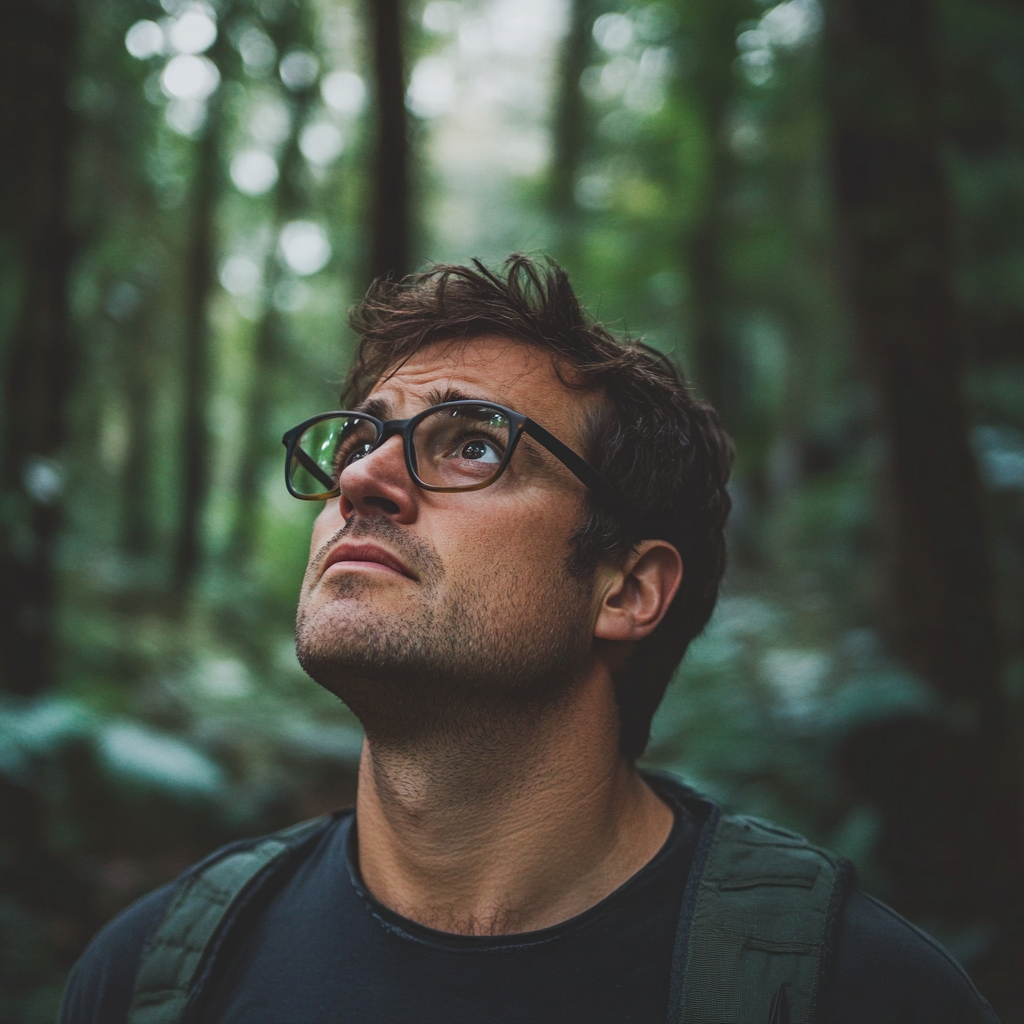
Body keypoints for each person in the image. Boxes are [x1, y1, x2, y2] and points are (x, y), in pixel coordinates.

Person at [60, 256, 999, 1024]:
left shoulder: (859, 994)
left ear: (627, 588)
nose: (363, 479)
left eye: (472, 443)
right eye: (357, 443)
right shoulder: (154, 974)